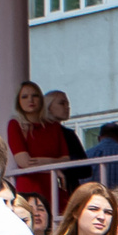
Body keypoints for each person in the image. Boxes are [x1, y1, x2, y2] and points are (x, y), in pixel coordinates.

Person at [6, 81, 73, 214]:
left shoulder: (53, 126)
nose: (30, 100)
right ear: (18, 101)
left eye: (35, 95)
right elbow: (24, 162)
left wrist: (45, 164)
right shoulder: (15, 124)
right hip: (31, 186)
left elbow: (66, 159)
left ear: (41, 99)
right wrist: (54, 166)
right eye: (24, 97)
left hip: (54, 185)